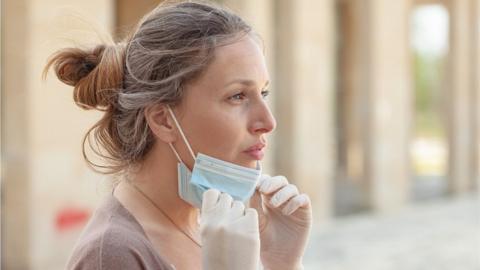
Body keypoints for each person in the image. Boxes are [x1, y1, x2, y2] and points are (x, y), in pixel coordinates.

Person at [44, 1, 312, 269]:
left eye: (263, 93)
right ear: (163, 120)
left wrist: (282, 262)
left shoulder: (218, 232)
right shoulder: (112, 256)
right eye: (237, 96)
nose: (267, 121)